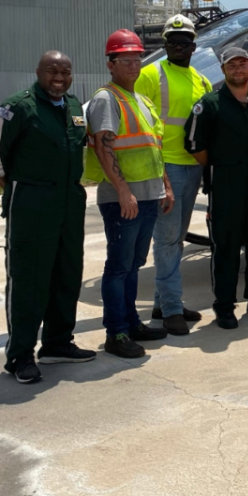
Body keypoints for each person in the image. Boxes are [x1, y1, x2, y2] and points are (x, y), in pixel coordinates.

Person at [0, 50, 92, 384]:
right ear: (38, 72)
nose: (59, 77)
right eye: (51, 71)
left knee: (67, 271)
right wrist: (20, 189)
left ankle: (58, 343)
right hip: (32, 202)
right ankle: (20, 355)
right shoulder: (18, 107)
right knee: (28, 277)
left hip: (68, 200)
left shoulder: (73, 105)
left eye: (65, 71)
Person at [184, 45, 248, 331]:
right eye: (232, 65)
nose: (238, 69)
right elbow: (195, 145)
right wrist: (218, 167)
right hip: (226, 186)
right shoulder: (210, 104)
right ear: (224, 70)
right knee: (226, 248)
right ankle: (224, 306)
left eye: (242, 64)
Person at [85, 30, 173, 358]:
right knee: (119, 265)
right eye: (126, 60)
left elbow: (154, 147)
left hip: (148, 194)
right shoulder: (106, 99)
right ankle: (116, 333)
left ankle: (132, 322)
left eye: (137, 59)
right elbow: (104, 147)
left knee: (135, 263)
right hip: (124, 198)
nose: (134, 65)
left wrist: (165, 186)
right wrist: (123, 191)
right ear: (111, 64)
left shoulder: (142, 100)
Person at [134, 15, 212, 333]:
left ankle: (164, 303)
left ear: (194, 46)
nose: (179, 46)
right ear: (165, 45)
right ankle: (170, 309)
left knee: (177, 240)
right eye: (173, 42)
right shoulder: (150, 75)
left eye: (185, 42)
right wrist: (157, 172)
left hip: (192, 167)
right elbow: (140, 125)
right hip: (164, 168)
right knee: (166, 241)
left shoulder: (201, 80)